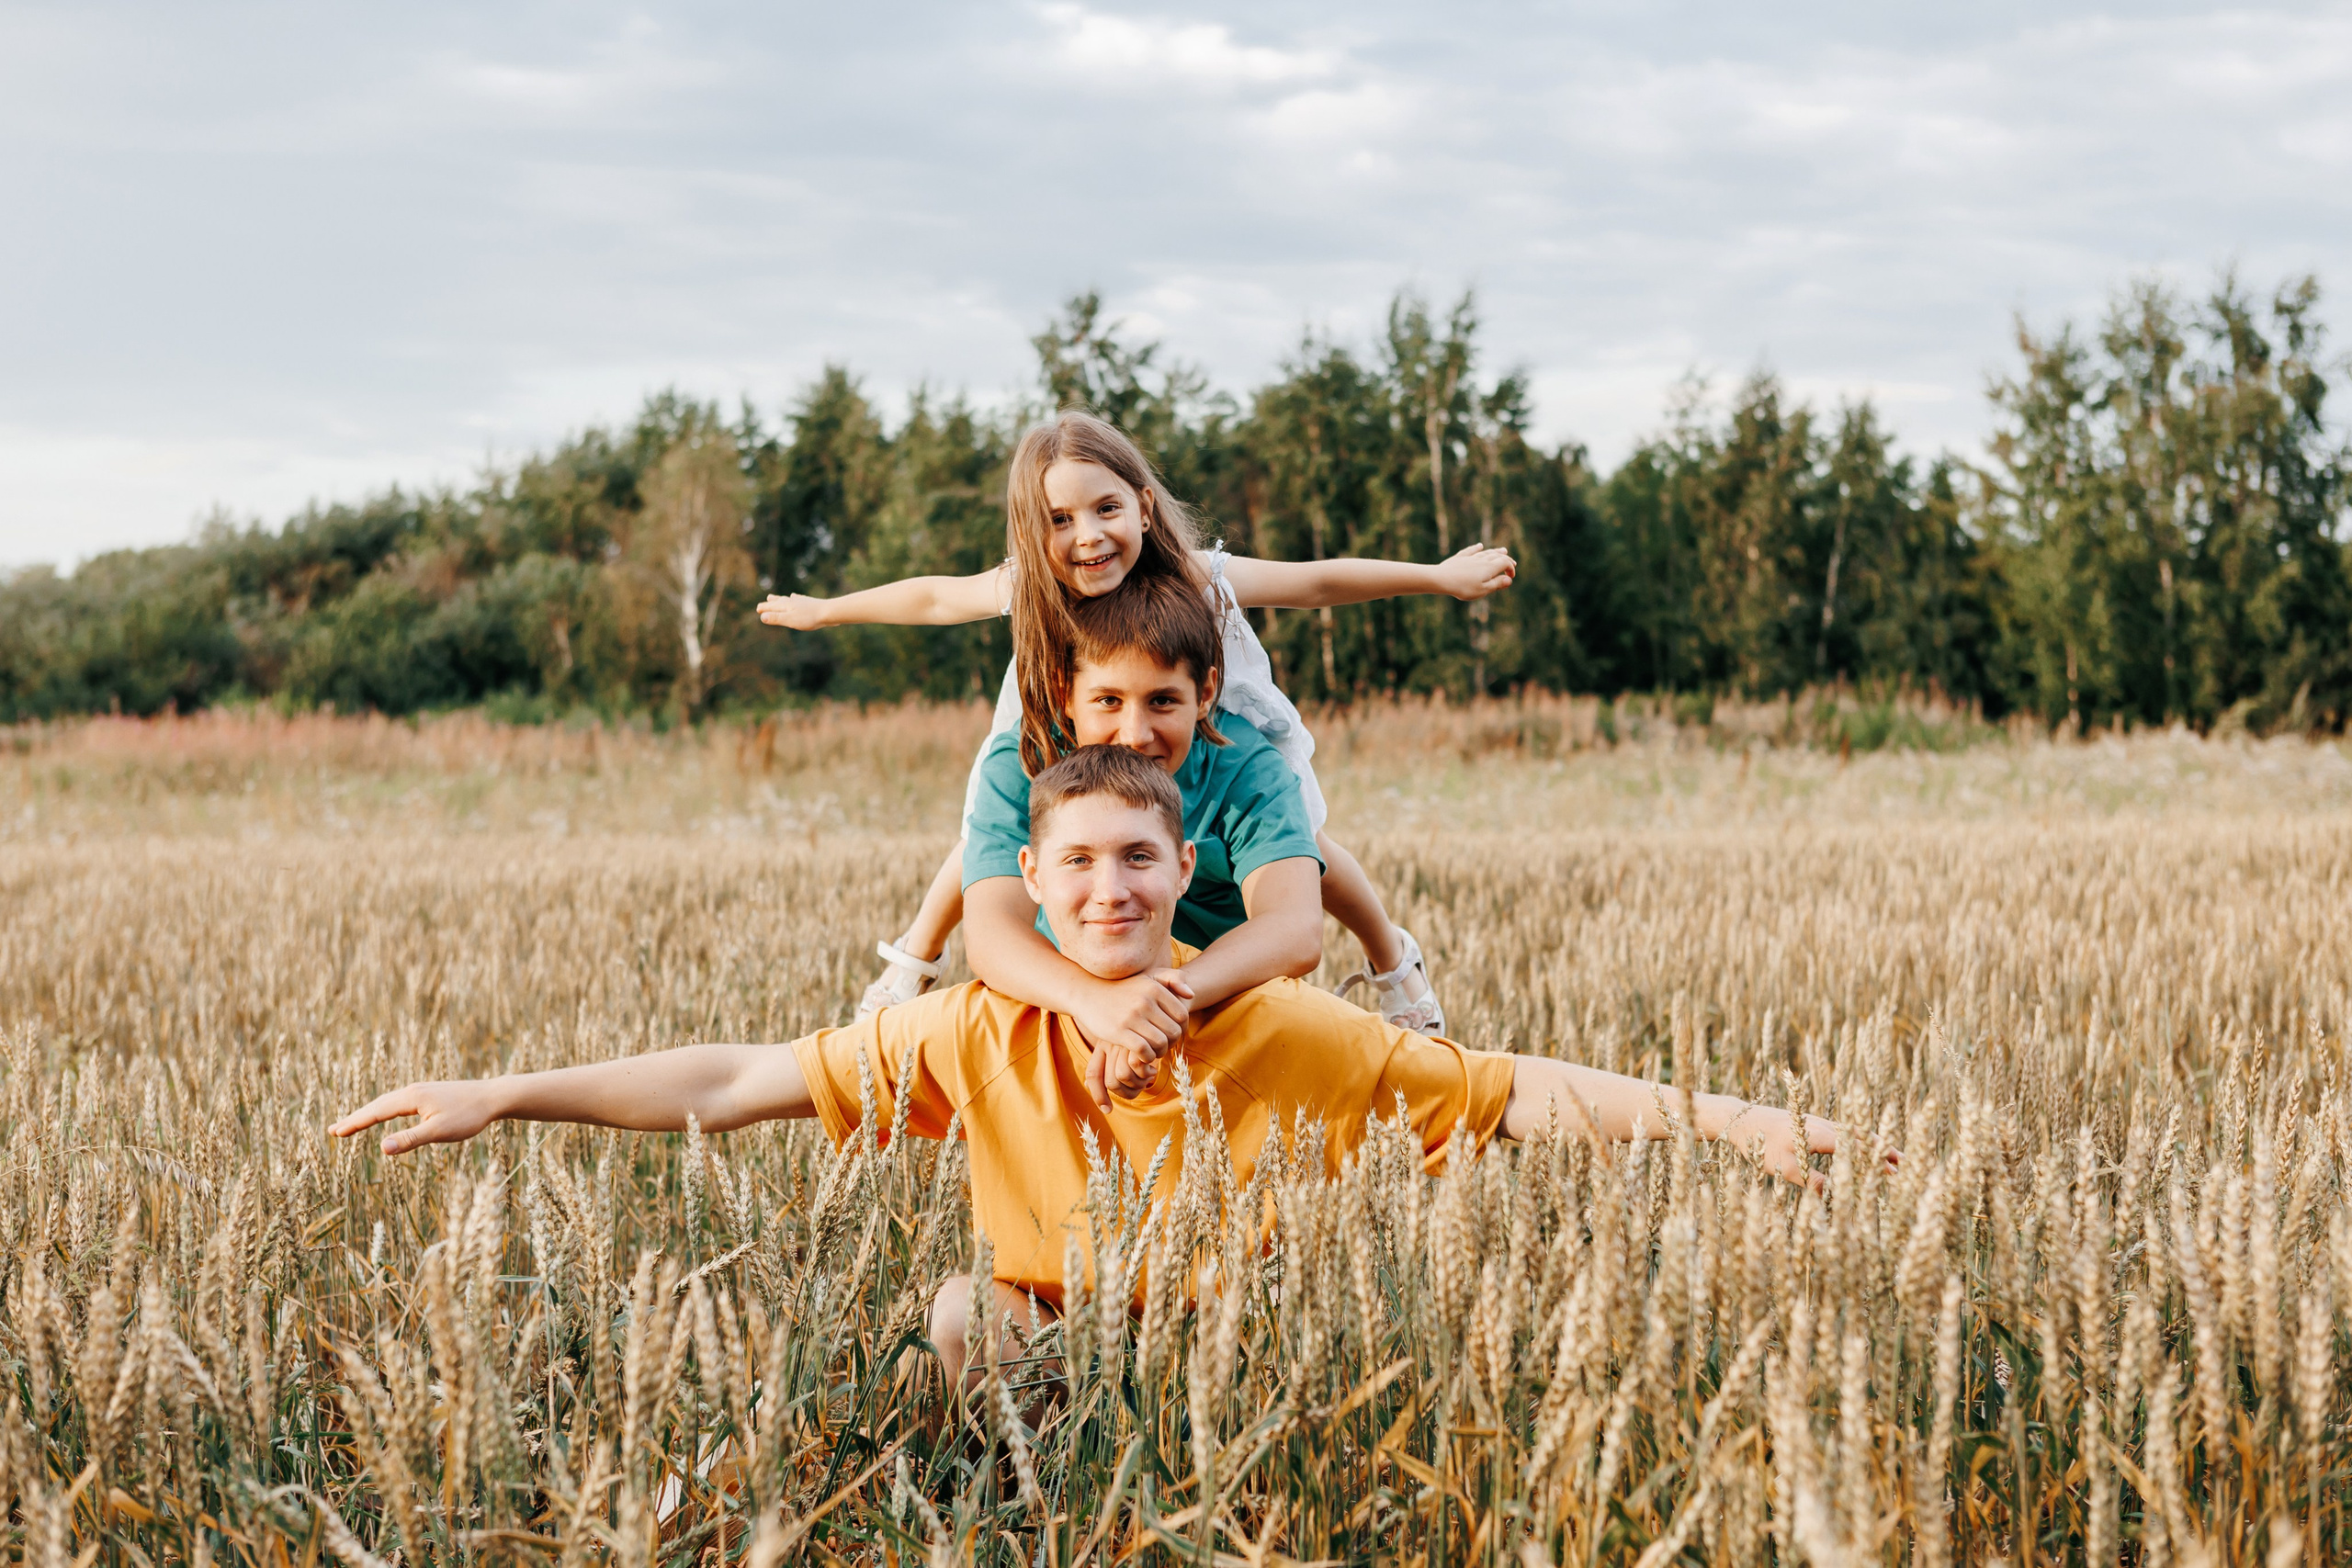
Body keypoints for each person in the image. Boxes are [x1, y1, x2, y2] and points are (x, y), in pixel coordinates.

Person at [333, 746, 1847, 1386]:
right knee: (953, 1314)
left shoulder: (1284, 1029)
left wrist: (1735, 1119)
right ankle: (1016, 1508)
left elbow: (1515, 1092)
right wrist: (504, 1090)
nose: (1110, 888)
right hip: (1049, 1350)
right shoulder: (981, 1028)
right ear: (1032, 888)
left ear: (1182, 867)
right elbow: (734, 1083)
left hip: (1245, 1354)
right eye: (1078, 863)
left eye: (1139, 857)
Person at [757, 410, 1518, 1036]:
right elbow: (928, 599)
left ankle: (1391, 957)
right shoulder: (1029, 584)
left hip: (1189, 711)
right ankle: (914, 959)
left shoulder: (1195, 574)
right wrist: (827, 611)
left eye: (1106, 508)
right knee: (987, 835)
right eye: (1061, 519)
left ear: (1142, 507)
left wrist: (1435, 577)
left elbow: (1315, 581)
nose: (1087, 535)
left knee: (1309, 845)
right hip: (1065, 720)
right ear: (1032, 528)